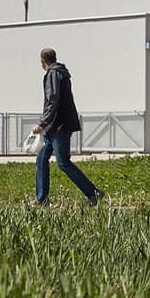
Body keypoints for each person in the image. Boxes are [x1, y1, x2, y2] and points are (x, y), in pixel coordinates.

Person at [33, 47, 105, 206]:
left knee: (63, 162)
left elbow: (52, 101)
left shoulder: (53, 74)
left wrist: (42, 123)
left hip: (59, 126)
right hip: (56, 126)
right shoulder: (61, 72)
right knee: (41, 158)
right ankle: (42, 198)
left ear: (42, 62)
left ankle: (93, 192)